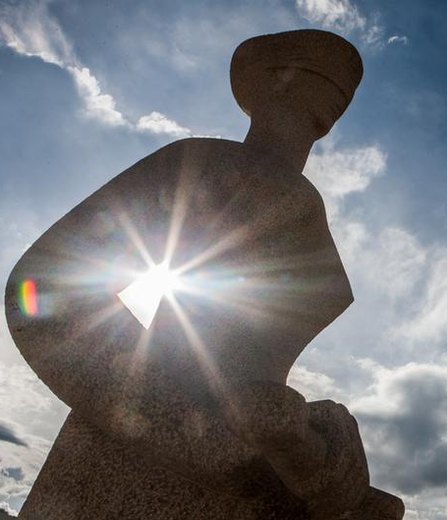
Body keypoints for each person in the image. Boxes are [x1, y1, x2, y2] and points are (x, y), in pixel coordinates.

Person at [5, 30, 402, 519]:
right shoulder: (197, 165)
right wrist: (174, 421)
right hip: (118, 463)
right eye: (312, 70)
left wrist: (319, 463)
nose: (337, 87)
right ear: (267, 83)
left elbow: (263, 403)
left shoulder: (310, 214)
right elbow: (46, 292)